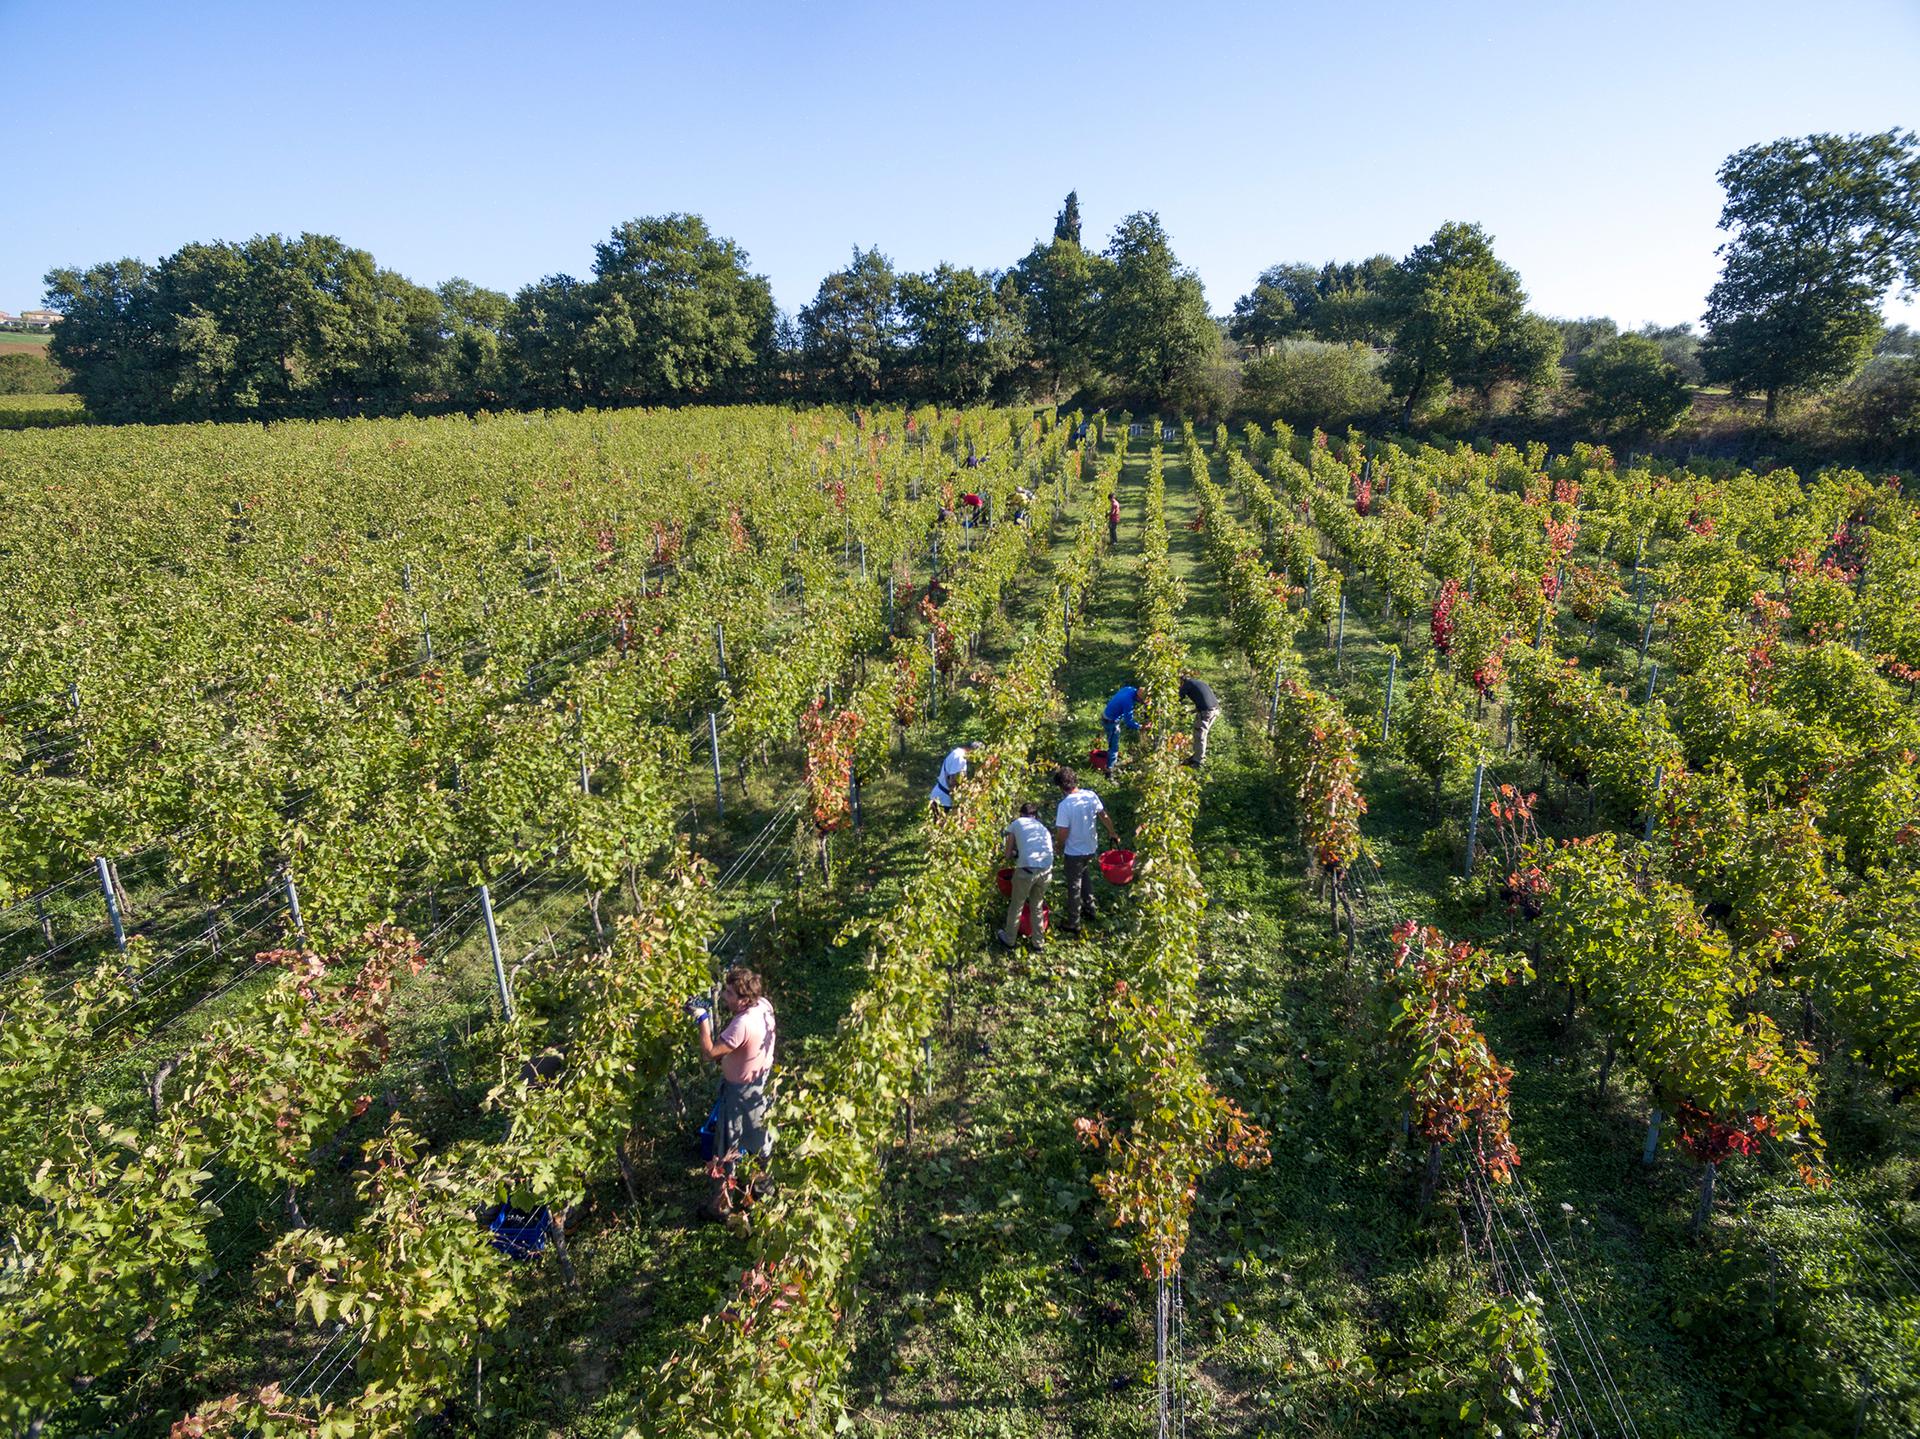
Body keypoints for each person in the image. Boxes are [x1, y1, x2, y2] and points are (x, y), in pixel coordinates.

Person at [685, 967, 777, 1214]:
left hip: (740, 1094)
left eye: (728, 993)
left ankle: (722, 1206)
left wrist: (702, 1018)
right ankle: (762, 1187)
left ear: (744, 999)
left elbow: (708, 1053)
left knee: (726, 1147)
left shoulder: (743, 1023)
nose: (724, 996)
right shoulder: (764, 1006)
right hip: (759, 1085)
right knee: (759, 1136)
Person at [1051, 766, 1121, 934]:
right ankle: (1090, 907)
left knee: (1074, 884)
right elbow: (1103, 815)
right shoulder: (1090, 796)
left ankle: (1073, 922)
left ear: (1061, 787)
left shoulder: (1065, 805)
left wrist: (1059, 847)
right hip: (1090, 847)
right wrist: (1112, 832)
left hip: (1074, 851)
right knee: (1084, 874)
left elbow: (1063, 831)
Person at [997, 801, 1054, 952]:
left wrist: (1015, 853)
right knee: (1037, 906)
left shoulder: (1016, 824)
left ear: (1021, 814)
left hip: (1027, 871)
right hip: (1047, 870)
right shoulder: (1043, 828)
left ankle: (1009, 940)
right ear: (1035, 816)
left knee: (1017, 905)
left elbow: (1008, 854)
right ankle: (1038, 944)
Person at [1178, 671, 1221, 768]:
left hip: (1206, 712)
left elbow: (1177, 698)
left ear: (1181, 681)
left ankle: (1198, 761)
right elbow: (1203, 699)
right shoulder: (1198, 682)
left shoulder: (1186, 685)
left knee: (1200, 735)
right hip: (1215, 709)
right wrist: (1190, 712)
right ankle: (1197, 756)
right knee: (1202, 734)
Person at [928, 739, 977, 813]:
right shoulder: (960, 758)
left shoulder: (956, 753)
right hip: (944, 800)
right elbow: (953, 782)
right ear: (973, 751)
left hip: (938, 796)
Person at [1102, 684, 1140, 772]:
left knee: (1113, 743)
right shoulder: (1128, 702)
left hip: (1107, 714)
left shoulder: (1130, 689)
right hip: (1110, 721)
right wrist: (1141, 727)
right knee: (1113, 747)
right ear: (1138, 697)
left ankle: (1112, 762)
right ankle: (1109, 770)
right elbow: (1129, 722)